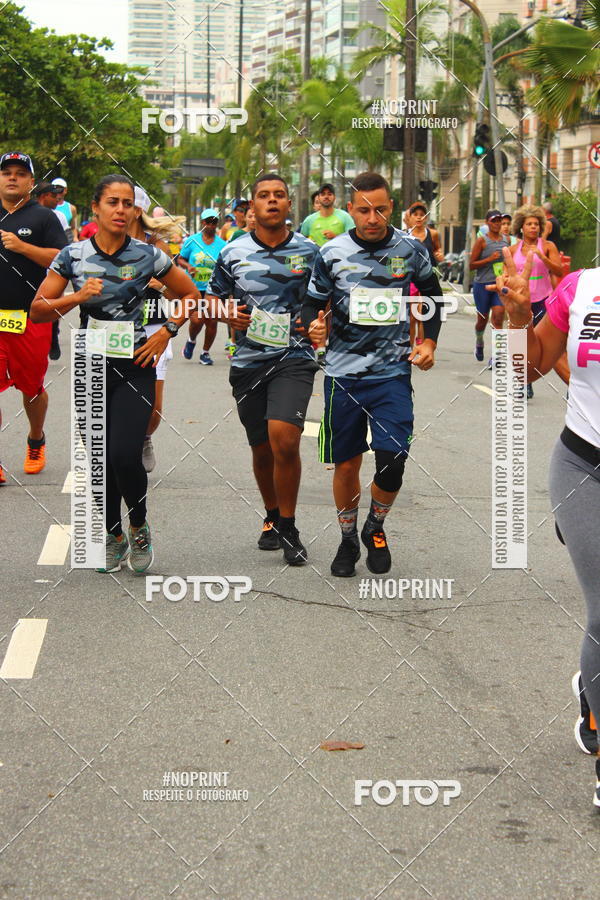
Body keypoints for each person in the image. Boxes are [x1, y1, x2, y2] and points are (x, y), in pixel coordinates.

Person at [30, 174, 199, 573]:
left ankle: (138, 525)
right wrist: (77, 296)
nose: (121, 210)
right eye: (113, 202)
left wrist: (166, 332)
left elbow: (191, 295)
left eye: (128, 203)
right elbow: (37, 310)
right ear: (96, 208)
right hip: (92, 364)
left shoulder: (148, 255)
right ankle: (113, 534)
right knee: (99, 459)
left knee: (124, 454)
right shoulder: (71, 256)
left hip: (135, 363)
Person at [301, 171, 444, 577]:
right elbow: (312, 303)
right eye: (364, 210)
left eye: (380, 210)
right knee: (346, 465)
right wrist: (314, 325)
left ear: (391, 208)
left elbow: (432, 295)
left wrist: (429, 342)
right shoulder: (331, 252)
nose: (372, 218)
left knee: (393, 460)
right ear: (351, 210)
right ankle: (347, 538)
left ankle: (374, 526)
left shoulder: (410, 248)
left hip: (391, 374)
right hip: (343, 376)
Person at [497, 248, 600, 810]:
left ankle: (592, 686)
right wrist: (518, 319)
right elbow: (528, 368)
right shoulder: (581, 288)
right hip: (585, 463)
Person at [206, 173, 319, 566]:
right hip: (248, 361)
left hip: (295, 358)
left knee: (284, 438)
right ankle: (271, 514)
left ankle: (289, 524)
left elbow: (330, 298)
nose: (272, 201)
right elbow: (211, 298)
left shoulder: (310, 252)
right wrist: (226, 313)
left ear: (289, 203)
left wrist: (322, 322)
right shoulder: (233, 251)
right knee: (261, 447)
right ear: (252, 206)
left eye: (279, 195)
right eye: (264, 196)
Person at [0, 152, 67, 483]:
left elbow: (62, 258)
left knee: (32, 388)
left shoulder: (44, 217)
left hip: (31, 318)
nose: (12, 177)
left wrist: (22, 247)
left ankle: (36, 439)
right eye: (6, 173)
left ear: (30, 181)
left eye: (20, 173)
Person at [128, 186, 175, 472]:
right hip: (116, 329)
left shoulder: (157, 246)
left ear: (139, 210)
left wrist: (162, 286)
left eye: (128, 204)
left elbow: (183, 295)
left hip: (153, 330)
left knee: (153, 406)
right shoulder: (104, 243)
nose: (120, 210)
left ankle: (144, 438)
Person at [510, 205, 563, 399]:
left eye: (536, 224)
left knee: (550, 343)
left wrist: (541, 257)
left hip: (544, 300)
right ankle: (525, 383)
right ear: (521, 227)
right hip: (522, 302)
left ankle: (571, 384)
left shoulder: (548, 246)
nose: (533, 227)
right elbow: (508, 274)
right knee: (521, 343)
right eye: (529, 224)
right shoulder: (513, 249)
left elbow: (558, 270)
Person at [179, 208, 226, 365]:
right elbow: (180, 259)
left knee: (212, 322)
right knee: (197, 320)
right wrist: (189, 267)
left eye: (214, 222)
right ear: (203, 223)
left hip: (213, 290)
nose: (211, 225)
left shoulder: (222, 244)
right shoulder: (192, 241)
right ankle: (191, 340)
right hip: (194, 289)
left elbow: (225, 266)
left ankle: (205, 353)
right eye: (208, 222)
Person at [34, 181, 70, 360]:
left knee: (53, 304)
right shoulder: (28, 214)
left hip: (53, 270)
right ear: (44, 196)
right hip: (33, 269)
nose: (58, 198)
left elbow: (66, 242)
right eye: (54, 195)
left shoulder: (59, 216)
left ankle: (54, 336)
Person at [470, 209, 510, 366]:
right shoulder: (482, 241)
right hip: (482, 285)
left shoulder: (506, 240)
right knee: (482, 320)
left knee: (498, 316)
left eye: (499, 220)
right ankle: (479, 341)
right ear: (487, 223)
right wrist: (489, 259)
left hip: (499, 285)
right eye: (494, 221)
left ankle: (497, 356)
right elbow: (471, 265)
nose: (497, 223)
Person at [300, 183, 354, 247]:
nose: (326, 197)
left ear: (334, 197)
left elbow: (352, 240)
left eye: (329, 194)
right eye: (323, 194)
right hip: (316, 254)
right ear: (319, 198)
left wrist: (335, 237)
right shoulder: (309, 220)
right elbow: (301, 242)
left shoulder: (345, 217)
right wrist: (308, 243)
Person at [51, 177, 78, 242]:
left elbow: (73, 228)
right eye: (55, 188)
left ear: (65, 190)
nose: (58, 191)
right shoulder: (47, 205)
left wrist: (75, 238)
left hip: (65, 241)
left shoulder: (71, 208)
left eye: (60, 189)